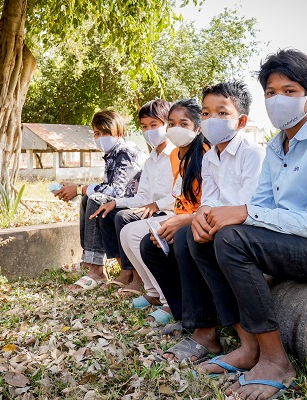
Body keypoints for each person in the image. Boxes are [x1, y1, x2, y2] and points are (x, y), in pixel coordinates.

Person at [192, 48, 307, 400]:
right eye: (271, 93)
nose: (278, 101)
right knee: (206, 235)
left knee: (232, 239)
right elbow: (261, 207)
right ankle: (248, 346)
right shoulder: (277, 146)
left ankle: (276, 361)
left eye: (289, 91)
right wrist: (210, 215)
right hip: (293, 240)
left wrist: (242, 213)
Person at [142, 81, 265, 348]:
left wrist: (197, 219)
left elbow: (247, 206)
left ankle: (207, 330)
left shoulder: (252, 154)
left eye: (222, 113)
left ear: (241, 121)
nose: (212, 120)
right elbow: (208, 200)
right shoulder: (211, 158)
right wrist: (200, 216)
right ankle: (187, 316)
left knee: (190, 237)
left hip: (245, 225)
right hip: (217, 223)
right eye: (207, 113)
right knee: (152, 245)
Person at [122, 98, 210, 325]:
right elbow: (177, 193)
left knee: (144, 236)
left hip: (195, 216)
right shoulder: (175, 156)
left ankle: (169, 303)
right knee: (128, 232)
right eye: (171, 123)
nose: (175, 129)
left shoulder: (206, 153)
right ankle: (154, 293)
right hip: (179, 213)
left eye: (184, 123)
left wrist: (177, 216)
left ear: (197, 127)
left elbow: (205, 200)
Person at [88, 99, 175, 297]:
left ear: (167, 124)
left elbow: (179, 193)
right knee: (109, 212)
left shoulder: (176, 154)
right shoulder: (152, 159)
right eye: (144, 126)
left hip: (168, 210)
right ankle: (128, 273)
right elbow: (143, 195)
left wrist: (155, 204)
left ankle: (137, 279)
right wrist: (115, 203)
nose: (149, 131)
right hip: (151, 208)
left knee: (123, 218)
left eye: (154, 125)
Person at [54, 109, 148, 291]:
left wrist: (80, 188)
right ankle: (91, 263)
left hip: (136, 203)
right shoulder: (113, 154)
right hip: (122, 201)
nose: (101, 137)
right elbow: (109, 185)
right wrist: (79, 187)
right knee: (88, 198)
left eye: (106, 132)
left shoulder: (126, 152)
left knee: (94, 199)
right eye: (97, 133)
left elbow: (117, 190)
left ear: (118, 133)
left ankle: (96, 269)